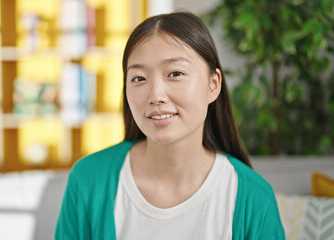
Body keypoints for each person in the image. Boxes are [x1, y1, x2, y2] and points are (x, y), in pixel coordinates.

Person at [55, 11, 285, 240]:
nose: (156, 95)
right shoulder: (88, 179)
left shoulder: (253, 198)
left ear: (213, 85)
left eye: (175, 73)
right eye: (139, 78)